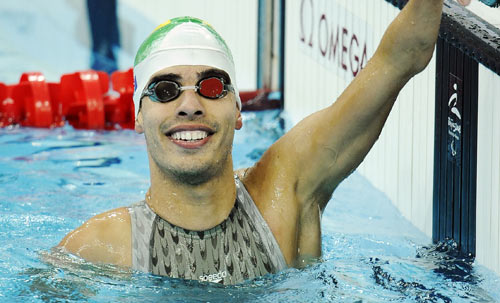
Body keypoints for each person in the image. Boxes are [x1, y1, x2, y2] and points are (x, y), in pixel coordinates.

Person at [59, 0, 446, 285]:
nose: (190, 106)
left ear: (239, 110)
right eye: (165, 90)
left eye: (212, 87)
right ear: (138, 116)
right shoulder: (97, 248)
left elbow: (399, 58)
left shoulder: (286, 192)